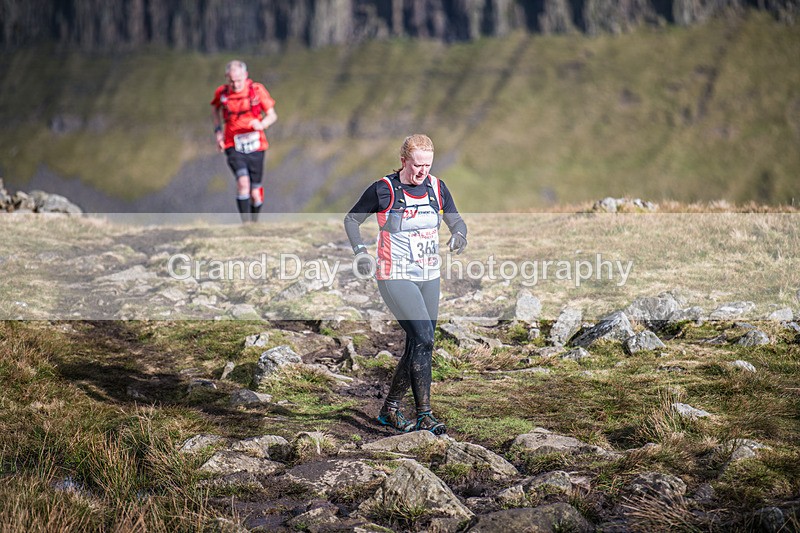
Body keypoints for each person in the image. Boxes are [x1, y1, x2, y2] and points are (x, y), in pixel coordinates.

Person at [344, 134, 468, 435]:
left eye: (427, 164)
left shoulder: (438, 188)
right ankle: (425, 414)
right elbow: (351, 220)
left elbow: (457, 222)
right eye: (417, 165)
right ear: (403, 161)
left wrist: (459, 236)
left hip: (429, 276)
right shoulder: (383, 190)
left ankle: (390, 410)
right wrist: (360, 252)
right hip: (394, 275)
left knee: (419, 342)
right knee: (424, 338)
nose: (422, 171)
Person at [211, 60, 277, 222]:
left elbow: (272, 115)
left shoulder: (257, 91)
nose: (235, 84)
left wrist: (261, 124)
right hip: (233, 145)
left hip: (256, 146)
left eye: (239, 80)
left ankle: (254, 223)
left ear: (245, 76)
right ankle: (245, 224)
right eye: (232, 81)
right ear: (227, 78)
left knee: (255, 192)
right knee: (242, 182)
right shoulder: (222, 93)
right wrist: (218, 132)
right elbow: (215, 110)